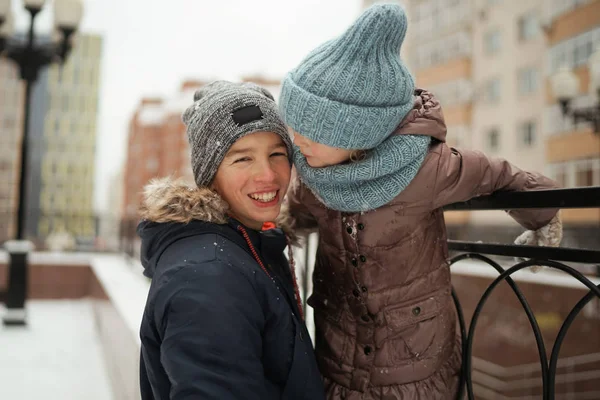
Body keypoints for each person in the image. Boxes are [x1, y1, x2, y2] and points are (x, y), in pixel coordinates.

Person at [278, 4, 562, 400]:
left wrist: (542, 215)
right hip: (335, 354)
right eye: (293, 127)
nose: (297, 140)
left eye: (312, 130)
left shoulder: (424, 170)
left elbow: (496, 173)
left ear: (359, 133)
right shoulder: (312, 175)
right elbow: (292, 217)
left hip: (414, 362)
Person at [137, 81, 326, 400]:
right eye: (243, 159)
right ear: (210, 174)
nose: (267, 174)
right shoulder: (209, 275)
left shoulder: (246, 244)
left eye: (277, 154)